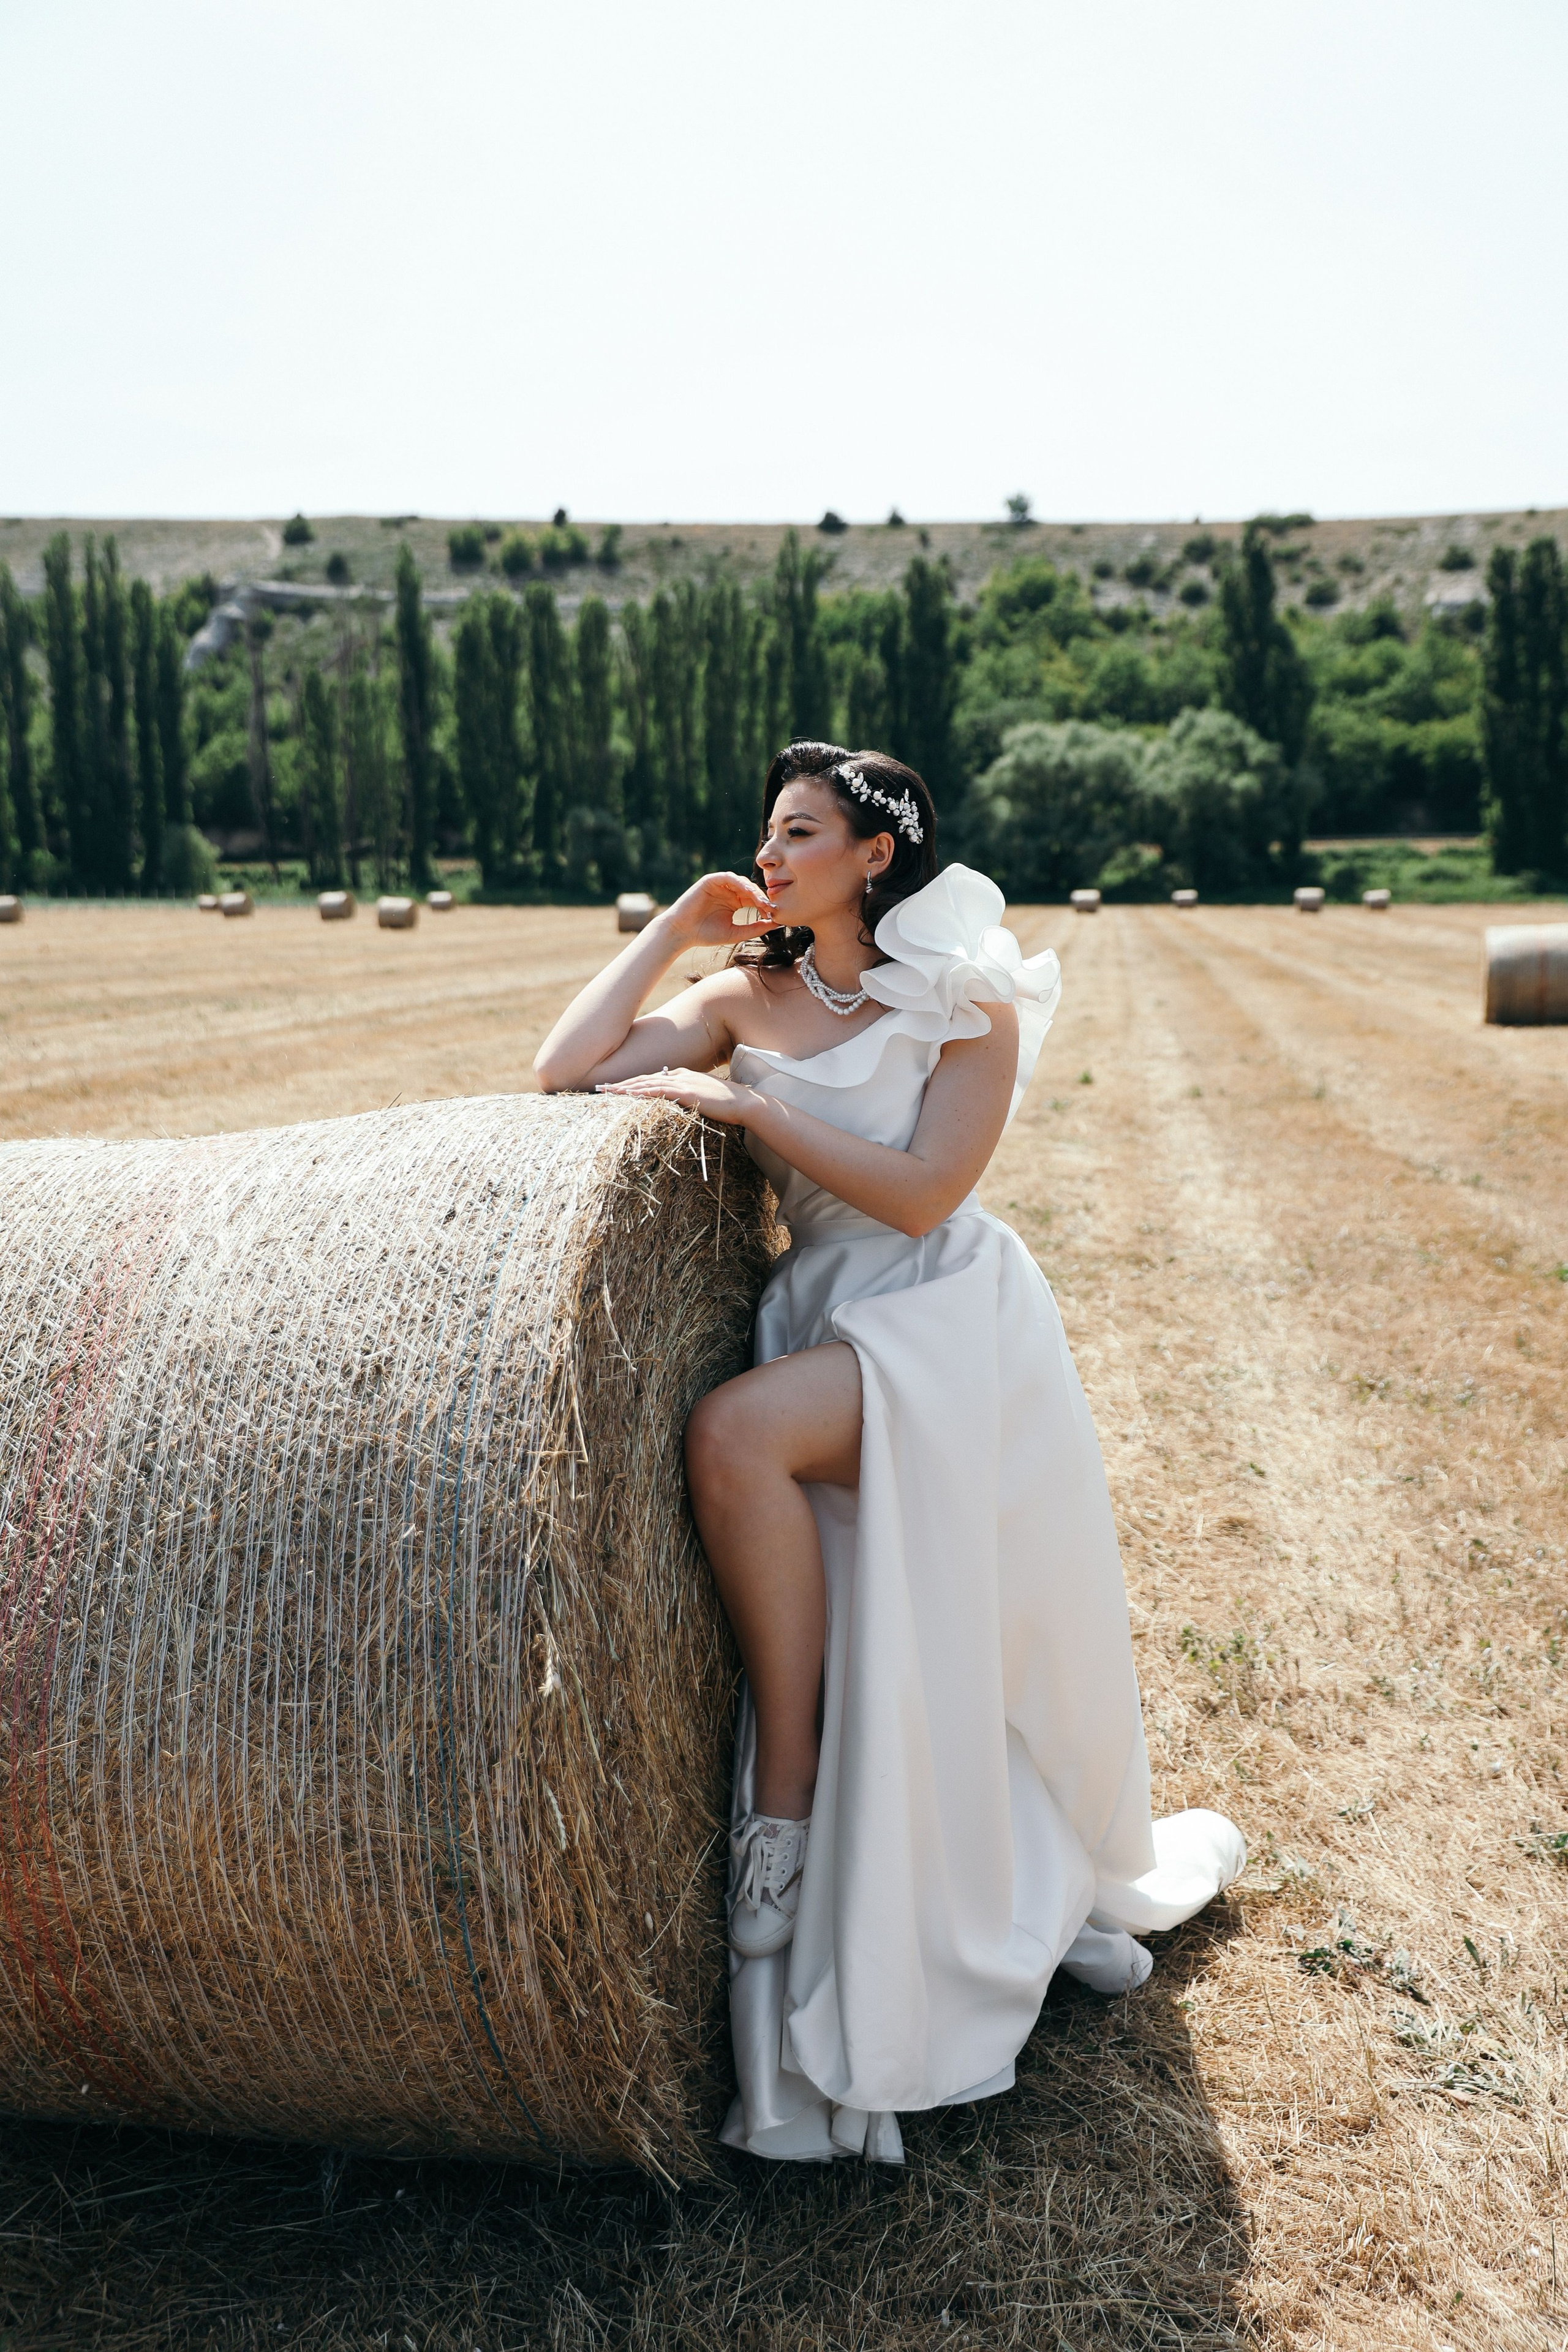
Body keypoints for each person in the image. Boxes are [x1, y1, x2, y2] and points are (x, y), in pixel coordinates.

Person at [534, 741, 1243, 2164]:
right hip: (825, 1318)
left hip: (949, 1325)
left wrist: (750, 1110)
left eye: (801, 832)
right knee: (865, 1606)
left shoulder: (966, 1000)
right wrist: (672, 931)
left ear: (876, 855)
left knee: (733, 1430)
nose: (772, 853)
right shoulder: (743, 992)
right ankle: (826, 1812)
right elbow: (564, 1076)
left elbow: (924, 1200)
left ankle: (782, 1799)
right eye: (765, 829)